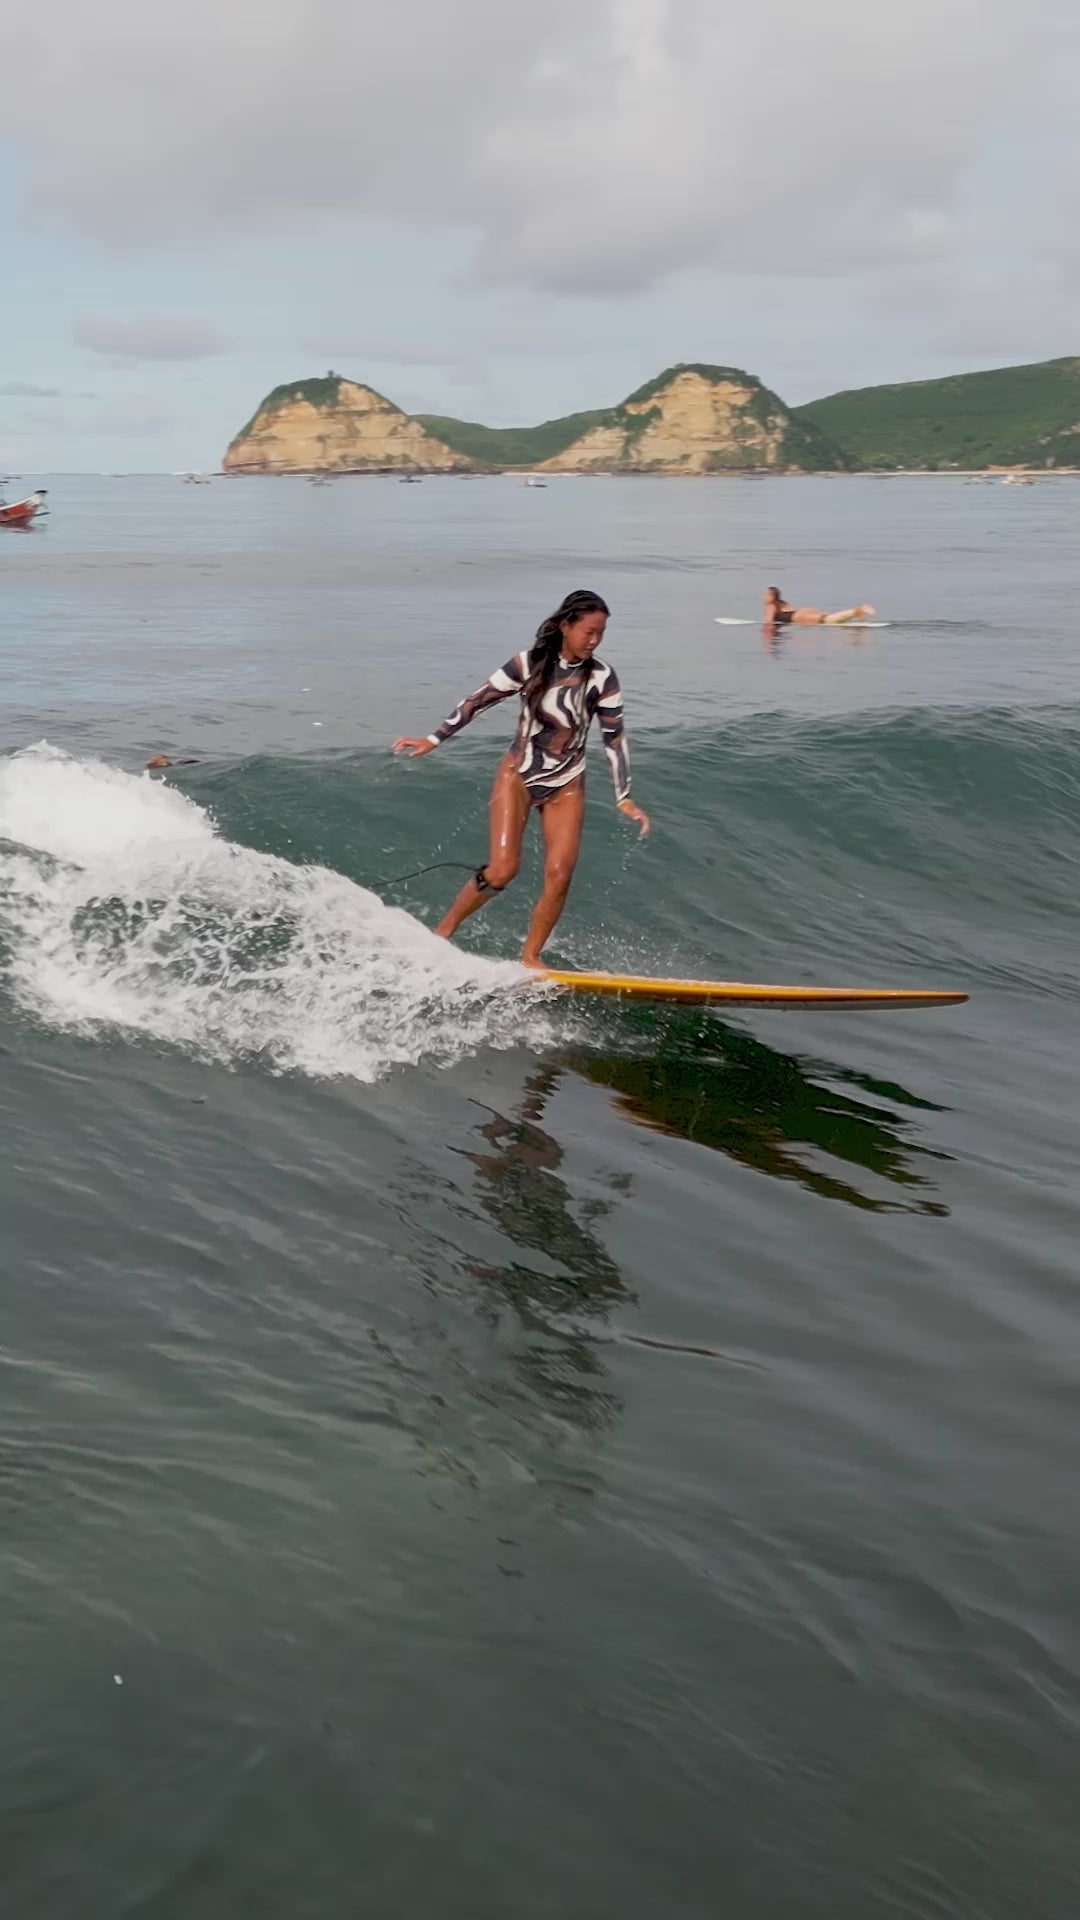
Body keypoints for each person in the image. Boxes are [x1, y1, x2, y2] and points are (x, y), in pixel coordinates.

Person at [392, 588, 650, 968]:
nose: (595, 641)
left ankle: (531, 956)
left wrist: (623, 795)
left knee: (560, 874)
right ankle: (443, 932)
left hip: (567, 782)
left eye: (601, 633)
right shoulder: (528, 664)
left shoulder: (602, 677)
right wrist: (434, 739)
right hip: (519, 774)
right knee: (502, 870)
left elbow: (614, 737)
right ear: (565, 626)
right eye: (589, 632)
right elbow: (477, 700)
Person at [763, 587, 876, 626]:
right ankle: (857, 613)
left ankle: (859, 610)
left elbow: (769, 623)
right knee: (830, 618)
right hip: (805, 611)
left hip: (801, 616)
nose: (763, 597)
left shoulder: (771, 606)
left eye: (766, 595)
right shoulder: (782, 603)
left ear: (772, 596)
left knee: (828, 620)